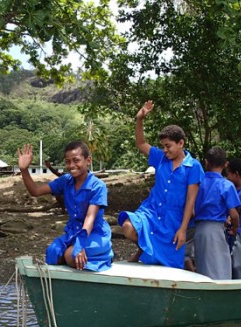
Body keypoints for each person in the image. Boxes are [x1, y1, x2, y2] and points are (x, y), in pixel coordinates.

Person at [119, 100, 203, 268]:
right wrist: (139, 119)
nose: (165, 150)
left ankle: (145, 254)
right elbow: (141, 143)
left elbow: (191, 200)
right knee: (128, 227)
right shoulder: (160, 158)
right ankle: (143, 250)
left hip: (173, 219)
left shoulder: (193, 166)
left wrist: (183, 229)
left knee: (167, 264)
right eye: (163, 146)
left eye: (168, 146)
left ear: (181, 143)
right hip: (151, 211)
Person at [17, 142, 114, 271]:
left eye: (76, 160)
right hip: (73, 232)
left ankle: (103, 254)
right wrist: (24, 170)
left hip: (94, 233)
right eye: (68, 162)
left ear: (88, 160)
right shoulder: (66, 181)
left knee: (71, 256)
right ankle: (82, 256)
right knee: (52, 254)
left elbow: (90, 218)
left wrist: (80, 246)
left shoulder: (98, 186)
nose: (72, 165)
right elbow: (35, 191)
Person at [194, 147, 240, 280]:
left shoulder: (198, 183)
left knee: (203, 266)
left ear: (206, 162)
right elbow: (234, 214)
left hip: (199, 229)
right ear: (226, 164)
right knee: (219, 267)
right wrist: (235, 228)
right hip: (216, 230)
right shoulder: (226, 185)